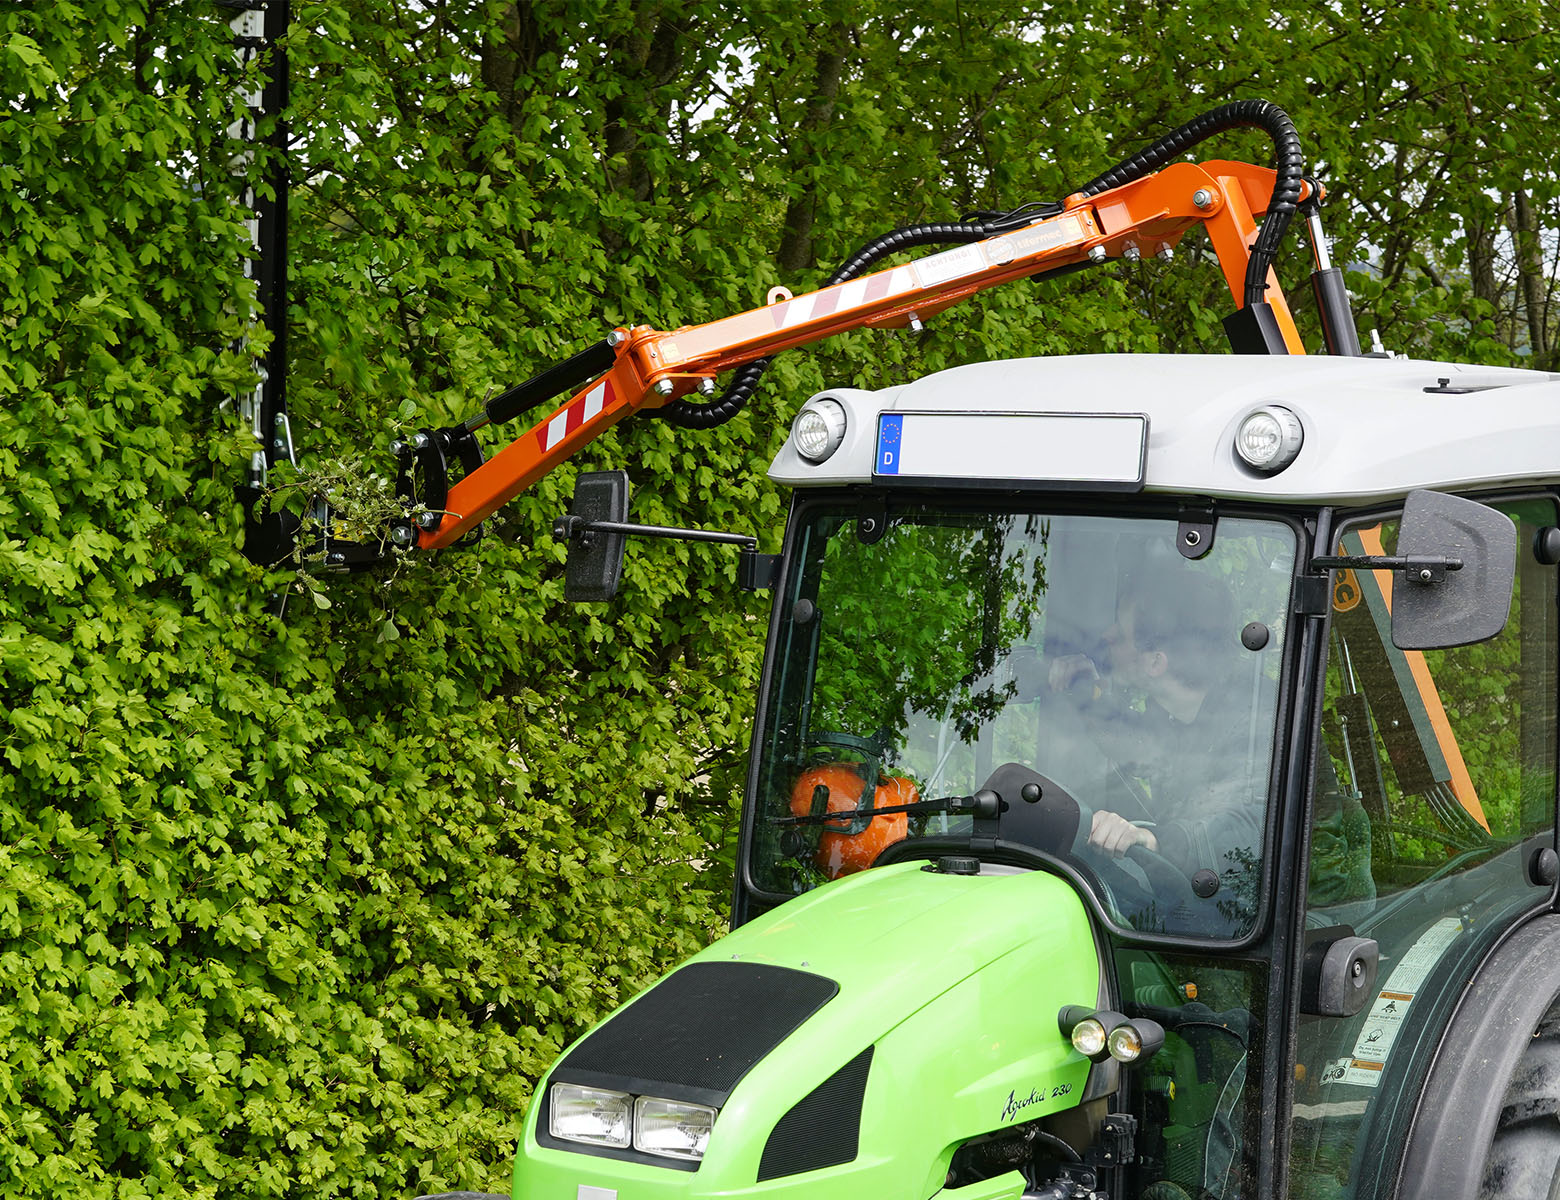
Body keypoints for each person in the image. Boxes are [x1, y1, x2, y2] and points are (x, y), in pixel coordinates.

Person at [1045, 570, 1266, 888]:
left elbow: (1251, 829)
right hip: (1204, 895)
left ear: (1155, 663)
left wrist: (1151, 839)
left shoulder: (1260, 718)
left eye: (1121, 632)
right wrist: (1088, 696)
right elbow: (1140, 746)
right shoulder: (1175, 716)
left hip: (1304, 907)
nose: (1107, 635)